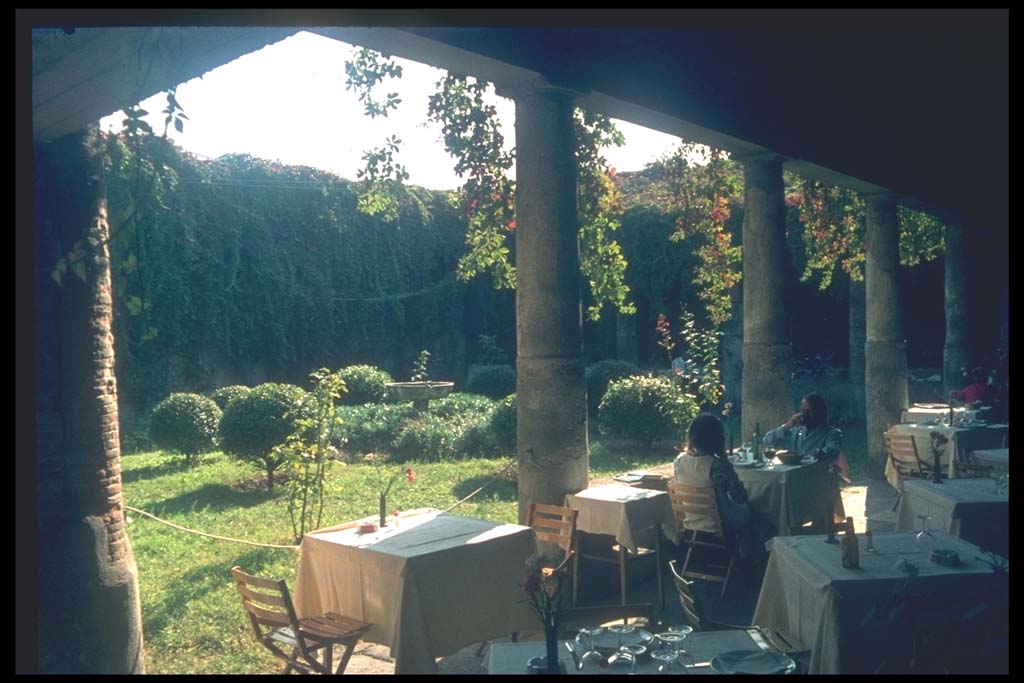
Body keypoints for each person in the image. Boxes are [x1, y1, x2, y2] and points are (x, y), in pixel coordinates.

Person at [674, 413, 759, 560]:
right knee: (753, 514)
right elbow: (740, 496)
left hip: (690, 521)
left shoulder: (679, 462)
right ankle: (748, 559)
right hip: (717, 525)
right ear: (717, 437)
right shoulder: (718, 465)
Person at [763, 393, 842, 464]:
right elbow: (767, 440)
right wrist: (787, 426)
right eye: (803, 411)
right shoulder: (795, 431)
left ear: (820, 412)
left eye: (809, 411)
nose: (804, 414)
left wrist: (820, 453)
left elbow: (832, 450)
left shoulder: (831, 433)